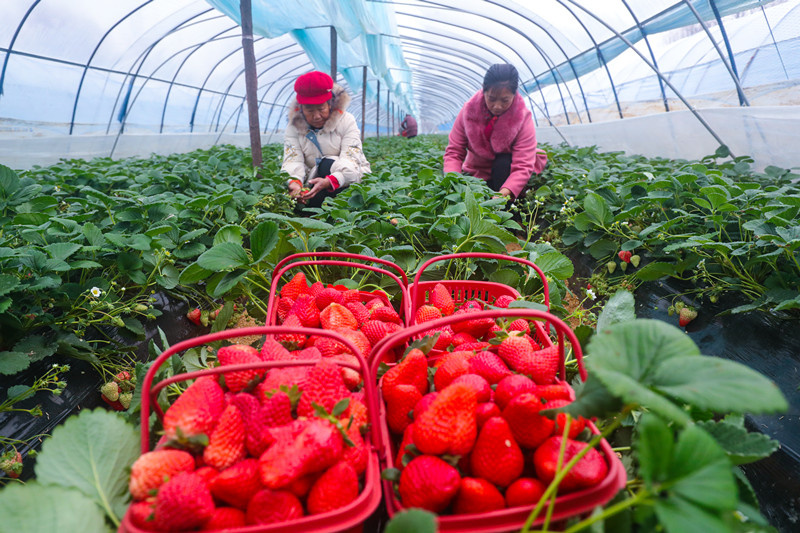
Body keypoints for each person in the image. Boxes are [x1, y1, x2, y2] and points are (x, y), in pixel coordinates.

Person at [443, 64, 547, 200]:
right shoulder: (468, 111)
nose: (497, 106)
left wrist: (502, 194)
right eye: (491, 98)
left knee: (503, 163)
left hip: (507, 174)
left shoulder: (522, 116)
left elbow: (523, 164)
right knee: (449, 176)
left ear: (514, 95)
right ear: (484, 91)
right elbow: (454, 152)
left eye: (505, 100)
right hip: (477, 171)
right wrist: (454, 184)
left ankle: (509, 213)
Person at [282, 71, 370, 209]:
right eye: (310, 110)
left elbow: (351, 160)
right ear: (301, 108)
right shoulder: (293, 127)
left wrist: (331, 181)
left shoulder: (347, 121)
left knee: (326, 164)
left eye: (321, 108)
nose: (317, 116)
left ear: (330, 104)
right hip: (314, 182)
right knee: (299, 201)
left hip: (351, 178)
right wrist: (295, 182)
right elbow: (292, 159)